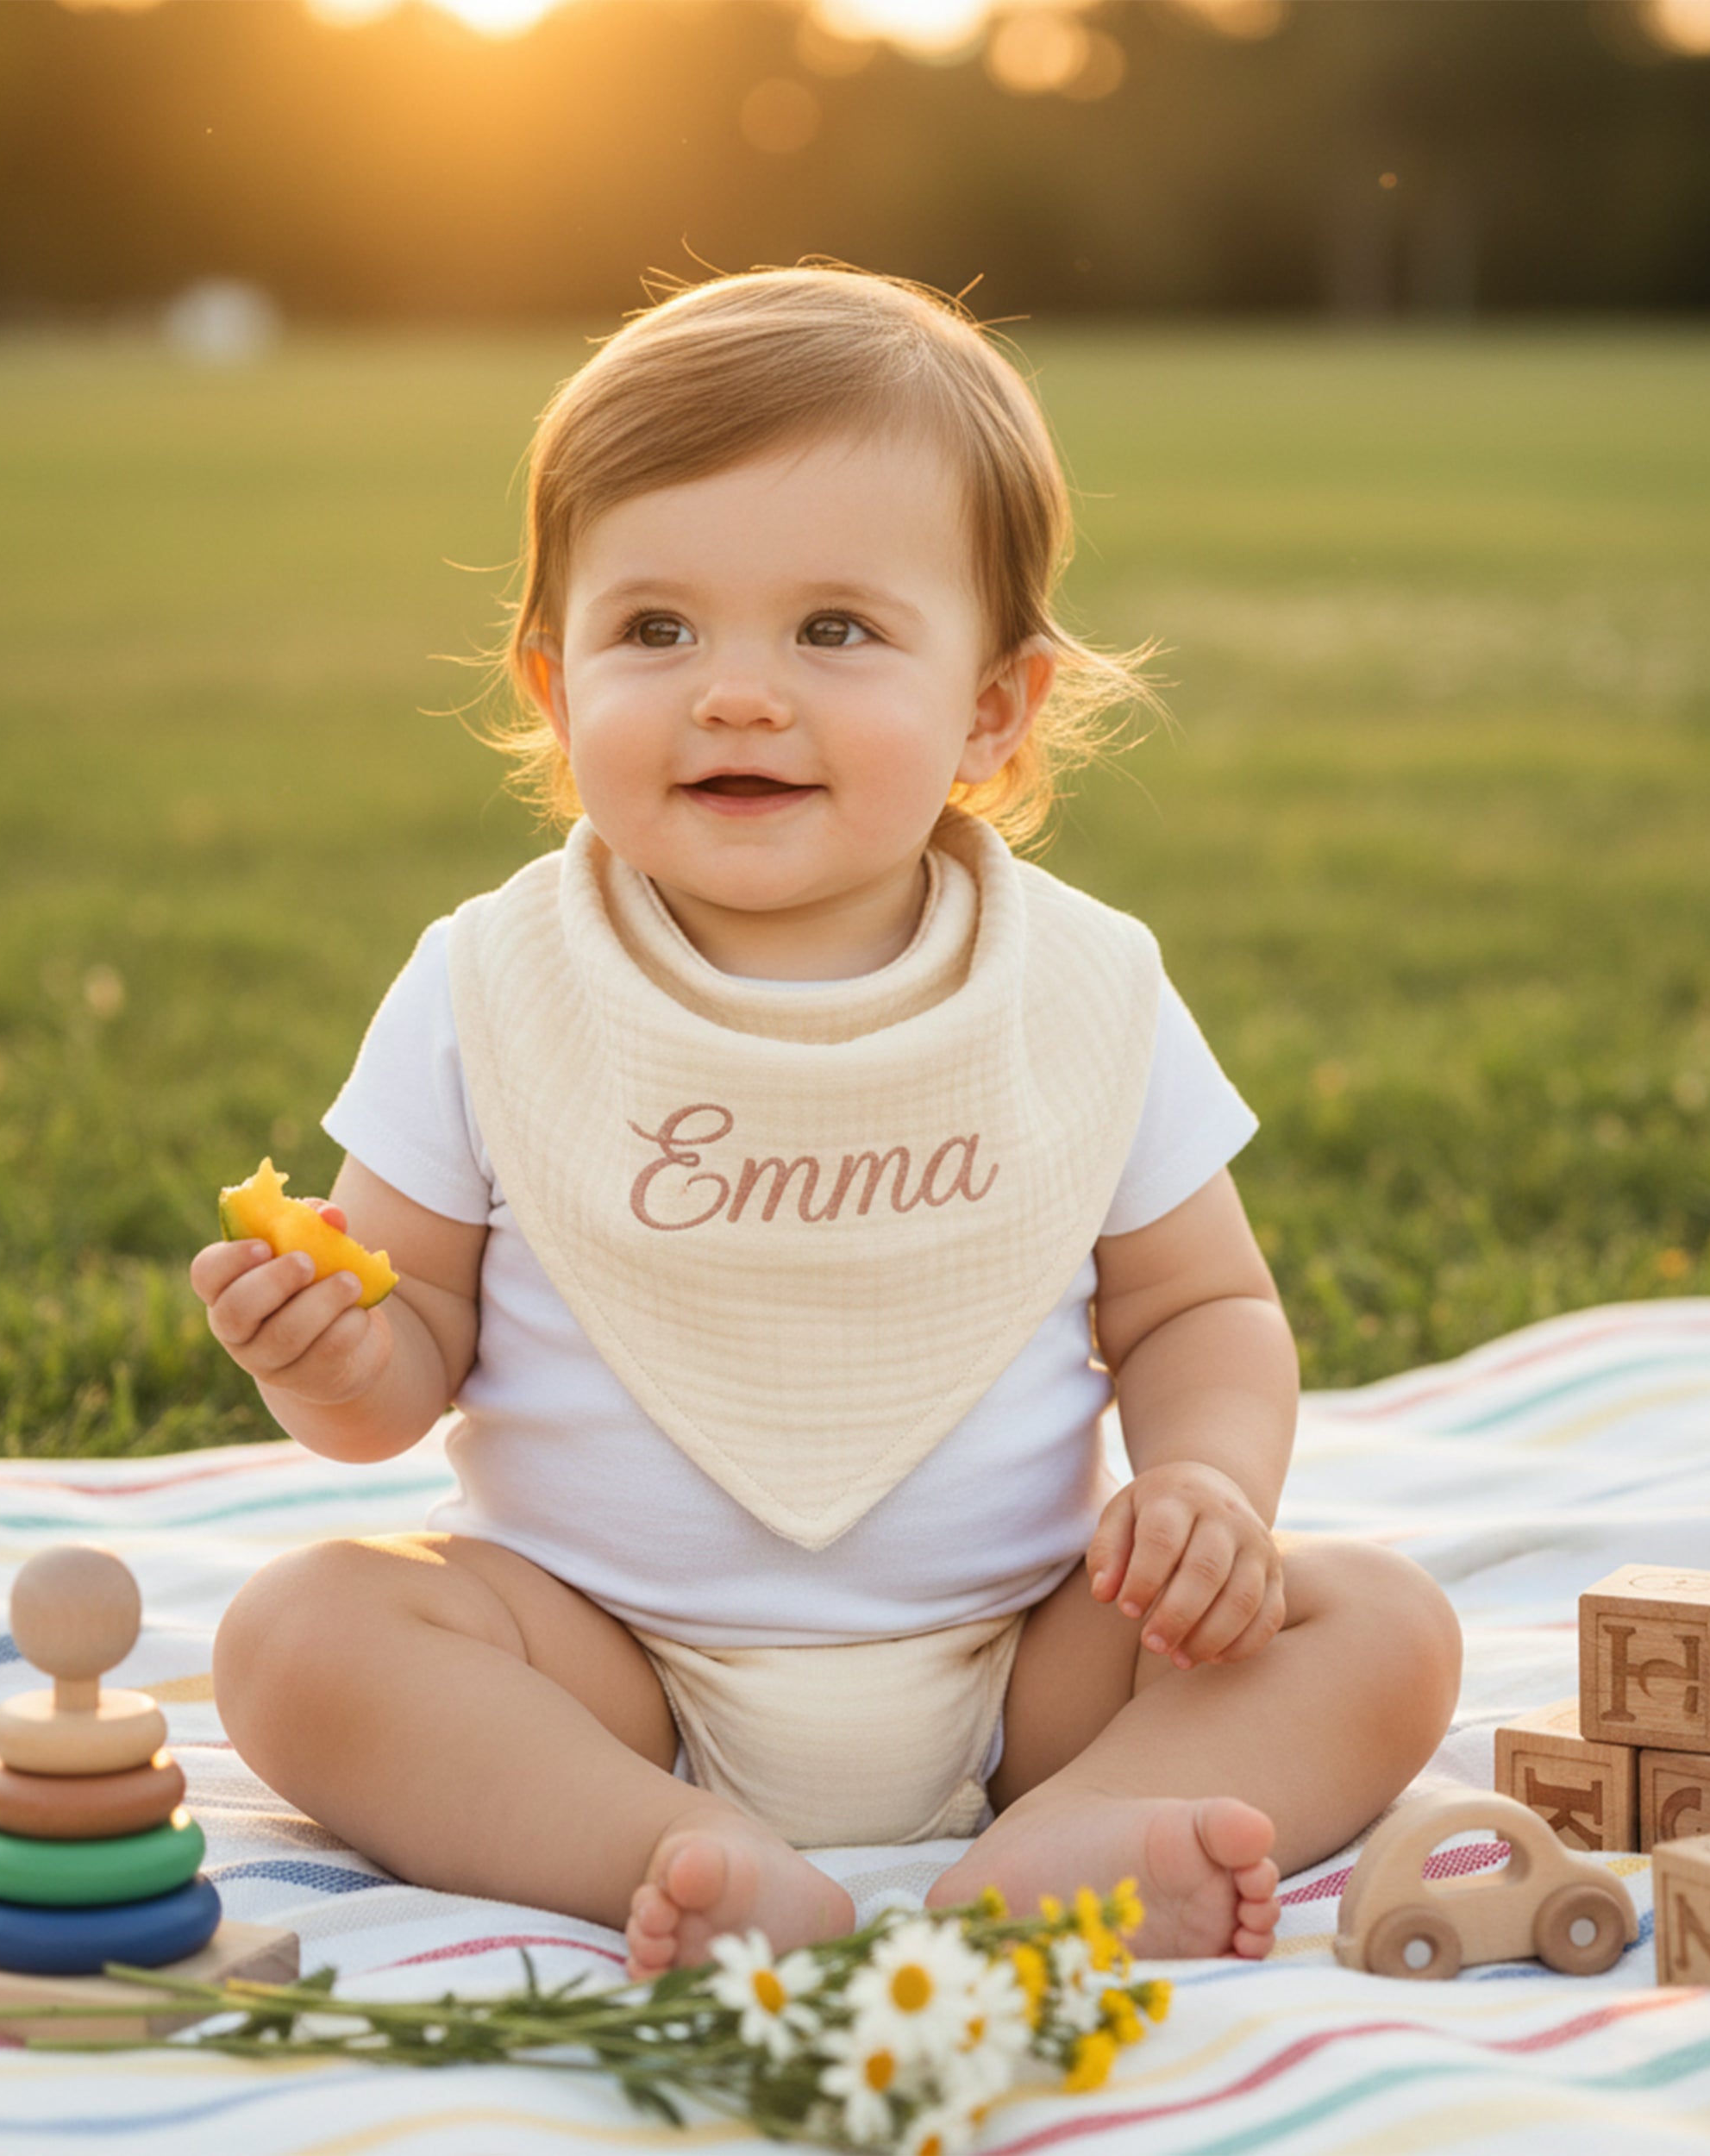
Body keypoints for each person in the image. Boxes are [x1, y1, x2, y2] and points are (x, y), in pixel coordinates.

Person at [195, 265, 1462, 1982]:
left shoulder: (1078, 987)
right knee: (301, 1628)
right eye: (655, 629)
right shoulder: (491, 982)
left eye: (834, 629)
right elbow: (404, 1343)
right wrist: (329, 1357)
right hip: (600, 1664)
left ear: (991, 709)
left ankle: (1063, 1843)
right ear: (556, 691)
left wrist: (1205, 1488)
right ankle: (663, 1848)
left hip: (1031, 1664)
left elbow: (1196, 1307)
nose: (732, 691)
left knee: (1376, 1621)